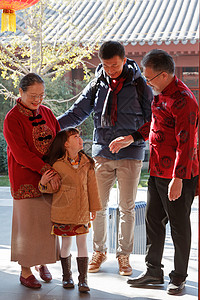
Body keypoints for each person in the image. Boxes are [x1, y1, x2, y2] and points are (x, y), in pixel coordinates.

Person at [57, 41, 153, 276]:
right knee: (97, 207)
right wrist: (52, 126)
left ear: (123, 59)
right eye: (105, 66)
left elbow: (153, 121)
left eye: (114, 65)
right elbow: (77, 113)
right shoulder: (98, 83)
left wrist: (130, 138)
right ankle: (99, 251)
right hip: (102, 153)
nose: (110, 70)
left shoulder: (140, 84)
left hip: (131, 153)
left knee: (127, 208)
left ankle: (124, 256)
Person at [109, 49, 199, 295]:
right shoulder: (160, 95)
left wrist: (178, 178)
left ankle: (178, 276)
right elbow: (155, 124)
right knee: (153, 221)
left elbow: (187, 142)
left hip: (179, 174)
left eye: (149, 79)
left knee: (179, 227)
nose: (147, 83)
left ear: (162, 74)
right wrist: (131, 137)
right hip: (158, 169)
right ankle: (153, 271)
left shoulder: (185, 100)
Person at [3, 73, 61, 289]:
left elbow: (58, 138)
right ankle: (25, 270)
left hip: (49, 179)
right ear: (21, 92)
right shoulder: (12, 118)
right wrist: (46, 169)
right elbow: (20, 153)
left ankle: (42, 262)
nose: (38, 100)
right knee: (27, 226)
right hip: (26, 178)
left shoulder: (46, 112)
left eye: (41, 95)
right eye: (33, 96)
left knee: (48, 224)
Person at [38, 128, 102, 292]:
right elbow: (51, 189)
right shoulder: (57, 164)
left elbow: (93, 188)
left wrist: (94, 208)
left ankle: (83, 280)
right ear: (66, 144)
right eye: (75, 137)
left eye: (79, 136)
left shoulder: (88, 163)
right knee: (65, 244)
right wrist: (44, 182)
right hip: (64, 213)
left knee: (82, 243)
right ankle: (67, 277)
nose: (80, 139)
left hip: (82, 212)